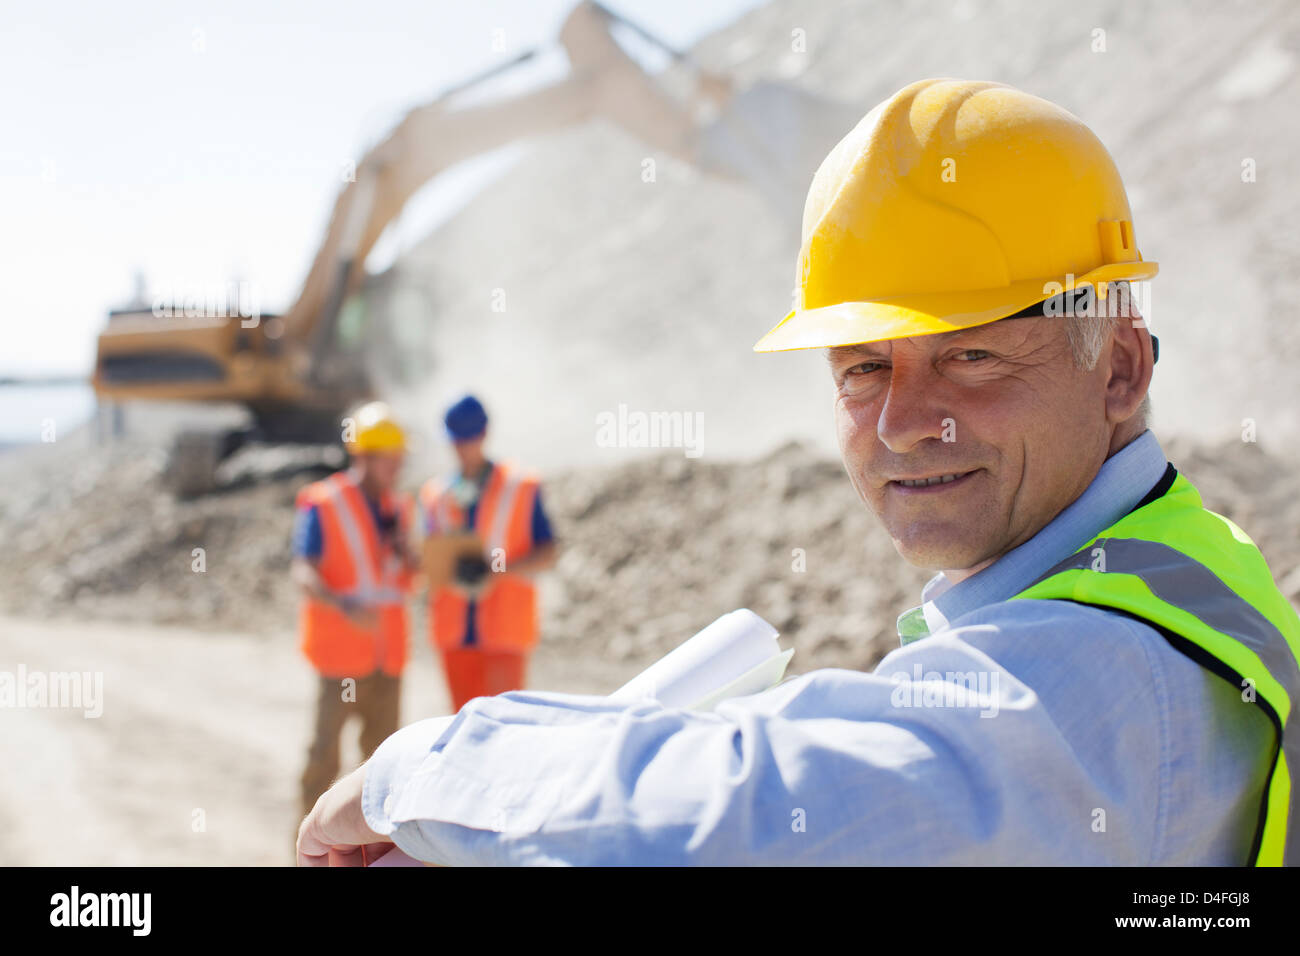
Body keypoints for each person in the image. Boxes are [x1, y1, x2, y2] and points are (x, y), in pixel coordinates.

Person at [298, 79, 1300, 866]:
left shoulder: (1109, 663)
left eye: (970, 356)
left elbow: (770, 812)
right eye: (862, 367)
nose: (901, 423)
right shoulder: (1167, 568)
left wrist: (429, 773)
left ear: (1118, 367)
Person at [291, 401, 417, 820]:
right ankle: (307, 850)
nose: (397, 469)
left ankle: (370, 854)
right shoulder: (323, 502)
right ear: (362, 456)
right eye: (389, 460)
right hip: (340, 657)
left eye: (400, 460)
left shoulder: (399, 509)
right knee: (325, 755)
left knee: (383, 765)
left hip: (388, 655)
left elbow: (402, 577)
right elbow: (303, 570)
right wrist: (344, 606)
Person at [420, 395, 558, 711]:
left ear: (484, 434)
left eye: (467, 440)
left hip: (504, 631)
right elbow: (428, 556)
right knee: (463, 726)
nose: (461, 449)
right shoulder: (436, 495)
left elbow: (548, 552)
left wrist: (498, 570)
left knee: (504, 728)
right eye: (456, 441)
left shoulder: (520, 485)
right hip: (454, 633)